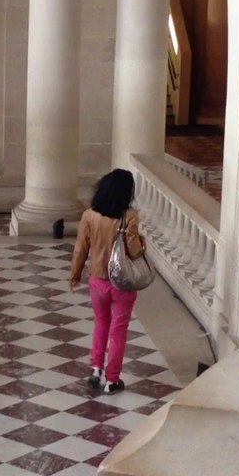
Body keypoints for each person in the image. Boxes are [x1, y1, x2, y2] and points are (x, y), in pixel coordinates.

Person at [68, 169, 145, 394]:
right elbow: (134, 250)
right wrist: (141, 241)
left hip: (97, 279)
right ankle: (113, 380)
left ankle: (95, 369)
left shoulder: (90, 215)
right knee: (118, 330)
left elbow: (81, 248)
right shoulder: (129, 215)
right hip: (122, 282)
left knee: (101, 323)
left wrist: (75, 274)